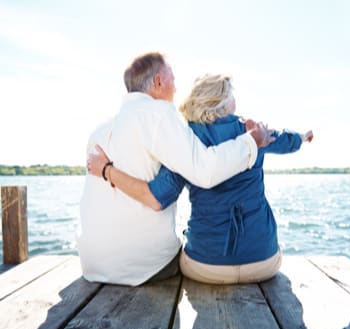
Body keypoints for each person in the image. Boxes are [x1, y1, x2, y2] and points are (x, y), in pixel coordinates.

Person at [88, 74, 313, 284]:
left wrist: (107, 170)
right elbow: (285, 140)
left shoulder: (186, 139)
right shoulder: (254, 133)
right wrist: (303, 137)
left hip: (207, 267)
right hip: (263, 263)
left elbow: (159, 195)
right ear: (224, 101)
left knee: (185, 248)